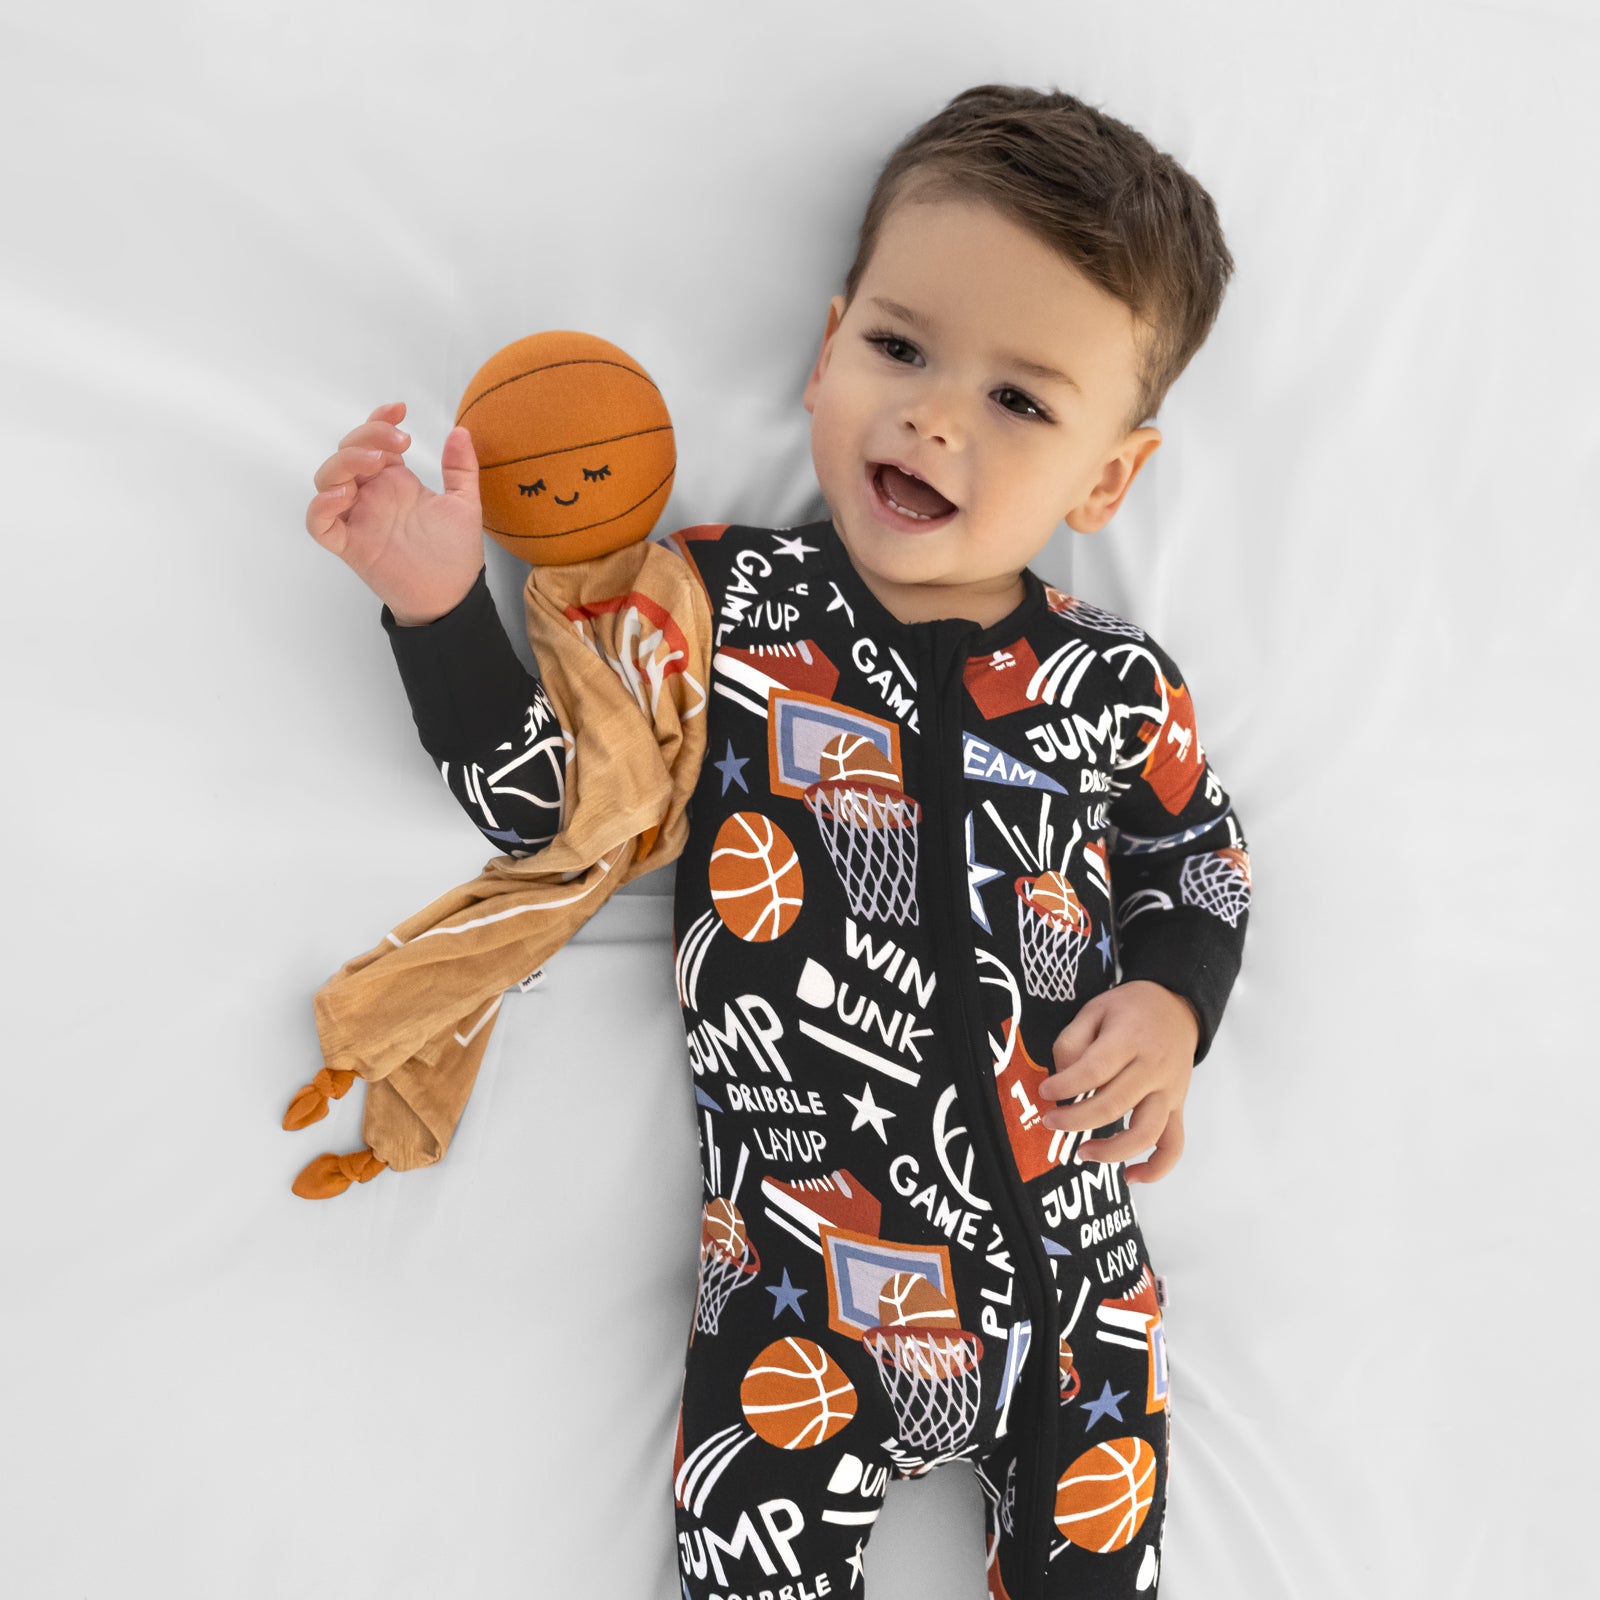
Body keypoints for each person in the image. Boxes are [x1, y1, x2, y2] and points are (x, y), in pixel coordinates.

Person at [304, 84, 1251, 1600]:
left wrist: (1178, 999)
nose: (936, 413)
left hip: (1074, 1293)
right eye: (899, 348)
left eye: (1022, 401)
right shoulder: (720, 616)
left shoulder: (1113, 679)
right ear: (824, 354)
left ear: (1107, 479)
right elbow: (556, 816)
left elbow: (1196, 857)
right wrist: (437, 611)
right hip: (801, 1289)